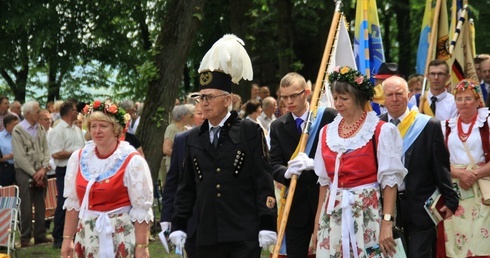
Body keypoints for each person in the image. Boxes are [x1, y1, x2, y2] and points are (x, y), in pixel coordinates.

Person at [170, 34, 277, 257]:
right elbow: (187, 186)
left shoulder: (248, 131)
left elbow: (263, 179)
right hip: (207, 233)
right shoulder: (194, 138)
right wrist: (179, 222)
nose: (203, 103)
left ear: (227, 100)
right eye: (201, 98)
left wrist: (267, 221)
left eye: (210, 97)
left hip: (242, 232)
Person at [311, 66, 407, 258]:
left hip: (367, 213)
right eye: (336, 98)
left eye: (344, 98)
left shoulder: (380, 130)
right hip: (333, 214)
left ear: (358, 99)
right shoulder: (326, 132)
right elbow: (324, 182)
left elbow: (390, 181)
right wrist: (317, 224)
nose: (338, 103)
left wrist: (387, 222)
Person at [60, 100, 153, 258]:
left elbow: (141, 208)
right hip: (87, 235)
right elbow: (73, 203)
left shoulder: (131, 160)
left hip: (120, 235)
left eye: (103, 126)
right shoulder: (79, 157)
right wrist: (67, 239)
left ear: (116, 129)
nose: (97, 131)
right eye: (93, 126)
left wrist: (141, 246)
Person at [381, 76, 458, 257]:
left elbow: (441, 165)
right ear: (382, 99)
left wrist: (451, 198)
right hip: (387, 208)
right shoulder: (377, 126)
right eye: (389, 94)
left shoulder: (427, 125)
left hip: (421, 206)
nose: (394, 99)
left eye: (399, 94)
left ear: (408, 96)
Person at [269, 72, 337, 257]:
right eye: (284, 97)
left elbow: (341, 156)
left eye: (293, 96)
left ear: (306, 92)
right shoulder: (277, 126)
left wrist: (315, 164)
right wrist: (286, 172)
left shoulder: (327, 116)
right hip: (295, 202)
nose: (288, 101)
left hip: (325, 200)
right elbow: (274, 164)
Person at [440, 79, 490, 257]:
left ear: (478, 101)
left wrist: (473, 174)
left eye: (468, 98)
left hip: (484, 190)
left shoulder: (488, 122)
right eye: (459, 98)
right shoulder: (445, 127)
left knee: (481, 241)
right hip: (456, 191)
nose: (463, 103)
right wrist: (459, 173)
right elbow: (438, 161)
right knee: (456, 241)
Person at [160, 102, 205, 258]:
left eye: (205, 112)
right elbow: (173, 181)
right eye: (199, 113)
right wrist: (166, 216)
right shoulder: (182, 139)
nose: (203, 116)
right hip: (191, 218)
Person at [12, 100, 52, 247]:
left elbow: (46, 150)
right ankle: (25, 238)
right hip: (24, 171)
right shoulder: (18, 130)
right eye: (37, 111)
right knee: (26, 205)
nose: (39, 113)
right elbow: (20, 157)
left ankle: (40, 235)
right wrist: (34, 173)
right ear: (28, 114)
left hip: (40, 170)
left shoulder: (40, 129)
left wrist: (43, 169)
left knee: (41, 203)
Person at [47, 101, 86, 249]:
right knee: (64, 201)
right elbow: (56, 153)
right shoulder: (58, 130)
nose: (77, 112)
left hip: (78, 169)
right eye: (75, 110)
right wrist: (75, 153)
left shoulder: (76, 129)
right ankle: (58, 236)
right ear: (70, 112)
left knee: (77, 201)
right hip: (64, 170)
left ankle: (74, 233)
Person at [161, 104, 193, 186]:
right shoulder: (172, 128)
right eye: (189, 115)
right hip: (173, 165)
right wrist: (183, 154)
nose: (190, 118)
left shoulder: (185, 129)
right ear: (183, 117)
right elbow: (166, 149)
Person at [0, 114, 19, 186]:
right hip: (6, 169)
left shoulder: (20, 135)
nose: (18, 126)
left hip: (20, 168)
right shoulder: (0, 137)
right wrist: (9, 156)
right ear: (8, 125)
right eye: (15, 124)